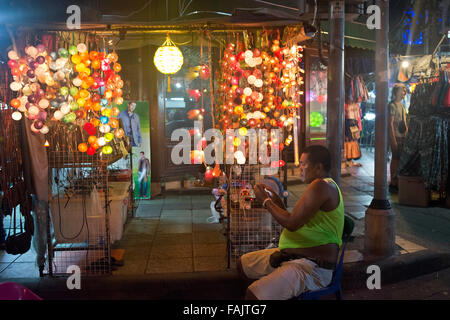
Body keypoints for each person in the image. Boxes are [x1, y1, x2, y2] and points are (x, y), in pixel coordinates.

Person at [236, 145, 344, 300]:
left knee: (253, 295)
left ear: (318, 167)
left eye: (303, 164)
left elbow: (291, 223)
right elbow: (292, 218)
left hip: (311, 266)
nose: (299, 167)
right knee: (243, 265)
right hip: (294, 254)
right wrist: (274, 198)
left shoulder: (321, 186)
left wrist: (266, 201)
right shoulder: (320, 186)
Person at [388, 84, 408, 193]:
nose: (404, 93)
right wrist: (393, 139)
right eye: (402, 90)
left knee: (399, 159)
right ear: (396, 92)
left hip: (402, 136)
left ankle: (396, 180)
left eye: (405, 91)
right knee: (395, 158)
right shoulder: (392, 105)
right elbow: (390, 124)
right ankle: (393, 182)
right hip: (396, 136)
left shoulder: (402, 105)